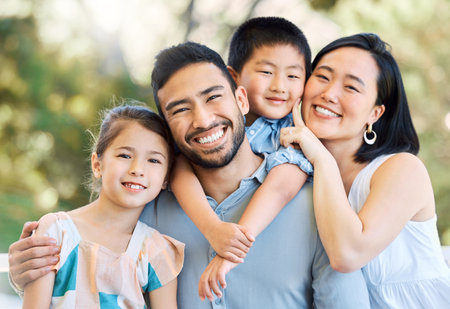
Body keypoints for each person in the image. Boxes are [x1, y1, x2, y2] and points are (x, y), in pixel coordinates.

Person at [9, 41, 370, 308]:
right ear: (167, 128)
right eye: (180, 110)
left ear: (241, 100)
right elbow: (84, 260)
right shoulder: (146, 209)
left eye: (213, 97)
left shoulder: (315, 207)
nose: (203, 120)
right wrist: (28, 266)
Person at [280, 33, 450, 308]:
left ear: (375, 114)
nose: (329, 93)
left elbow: (346, 255)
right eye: (322, 77)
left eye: (351, 87)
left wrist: (322, 158)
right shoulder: (293, 172)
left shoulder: (402, 169)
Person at [170, 17, 313, 299]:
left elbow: (284, 183)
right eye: (266, 72)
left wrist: (230, 252)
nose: (279, 86)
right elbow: (179, 166)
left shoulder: (295, 130)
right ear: (234, 77)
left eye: (293, 76)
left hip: (272, 249)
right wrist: (211, 228)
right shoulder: (216, 124)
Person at [21, 103, 184, 308]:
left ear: (165, 179)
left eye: (153, 160)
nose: (137, 169)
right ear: (98, 164)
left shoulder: (156, 251)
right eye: (125, 155)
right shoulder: (56, 231)